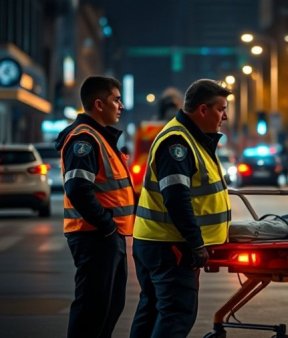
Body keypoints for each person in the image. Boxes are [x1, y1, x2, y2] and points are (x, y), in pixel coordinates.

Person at [130, 79, 232, 337]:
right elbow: (176, 197)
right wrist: (196, 242)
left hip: (159, 242)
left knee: (153, 311)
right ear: (202, 110)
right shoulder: (178, 142)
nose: (226, 116)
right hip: (170, 246)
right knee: (176, 315)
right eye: (221, 109)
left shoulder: (190, 138)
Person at [56, 76, 135, 338]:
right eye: (116, 99)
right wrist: (107, 225)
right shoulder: (85, 139)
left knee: (110, 305)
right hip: (95, 236)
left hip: (108, 236)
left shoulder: (100, 137)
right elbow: (78, 188)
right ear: (99, 104)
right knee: (93, 309)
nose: (121, 105)